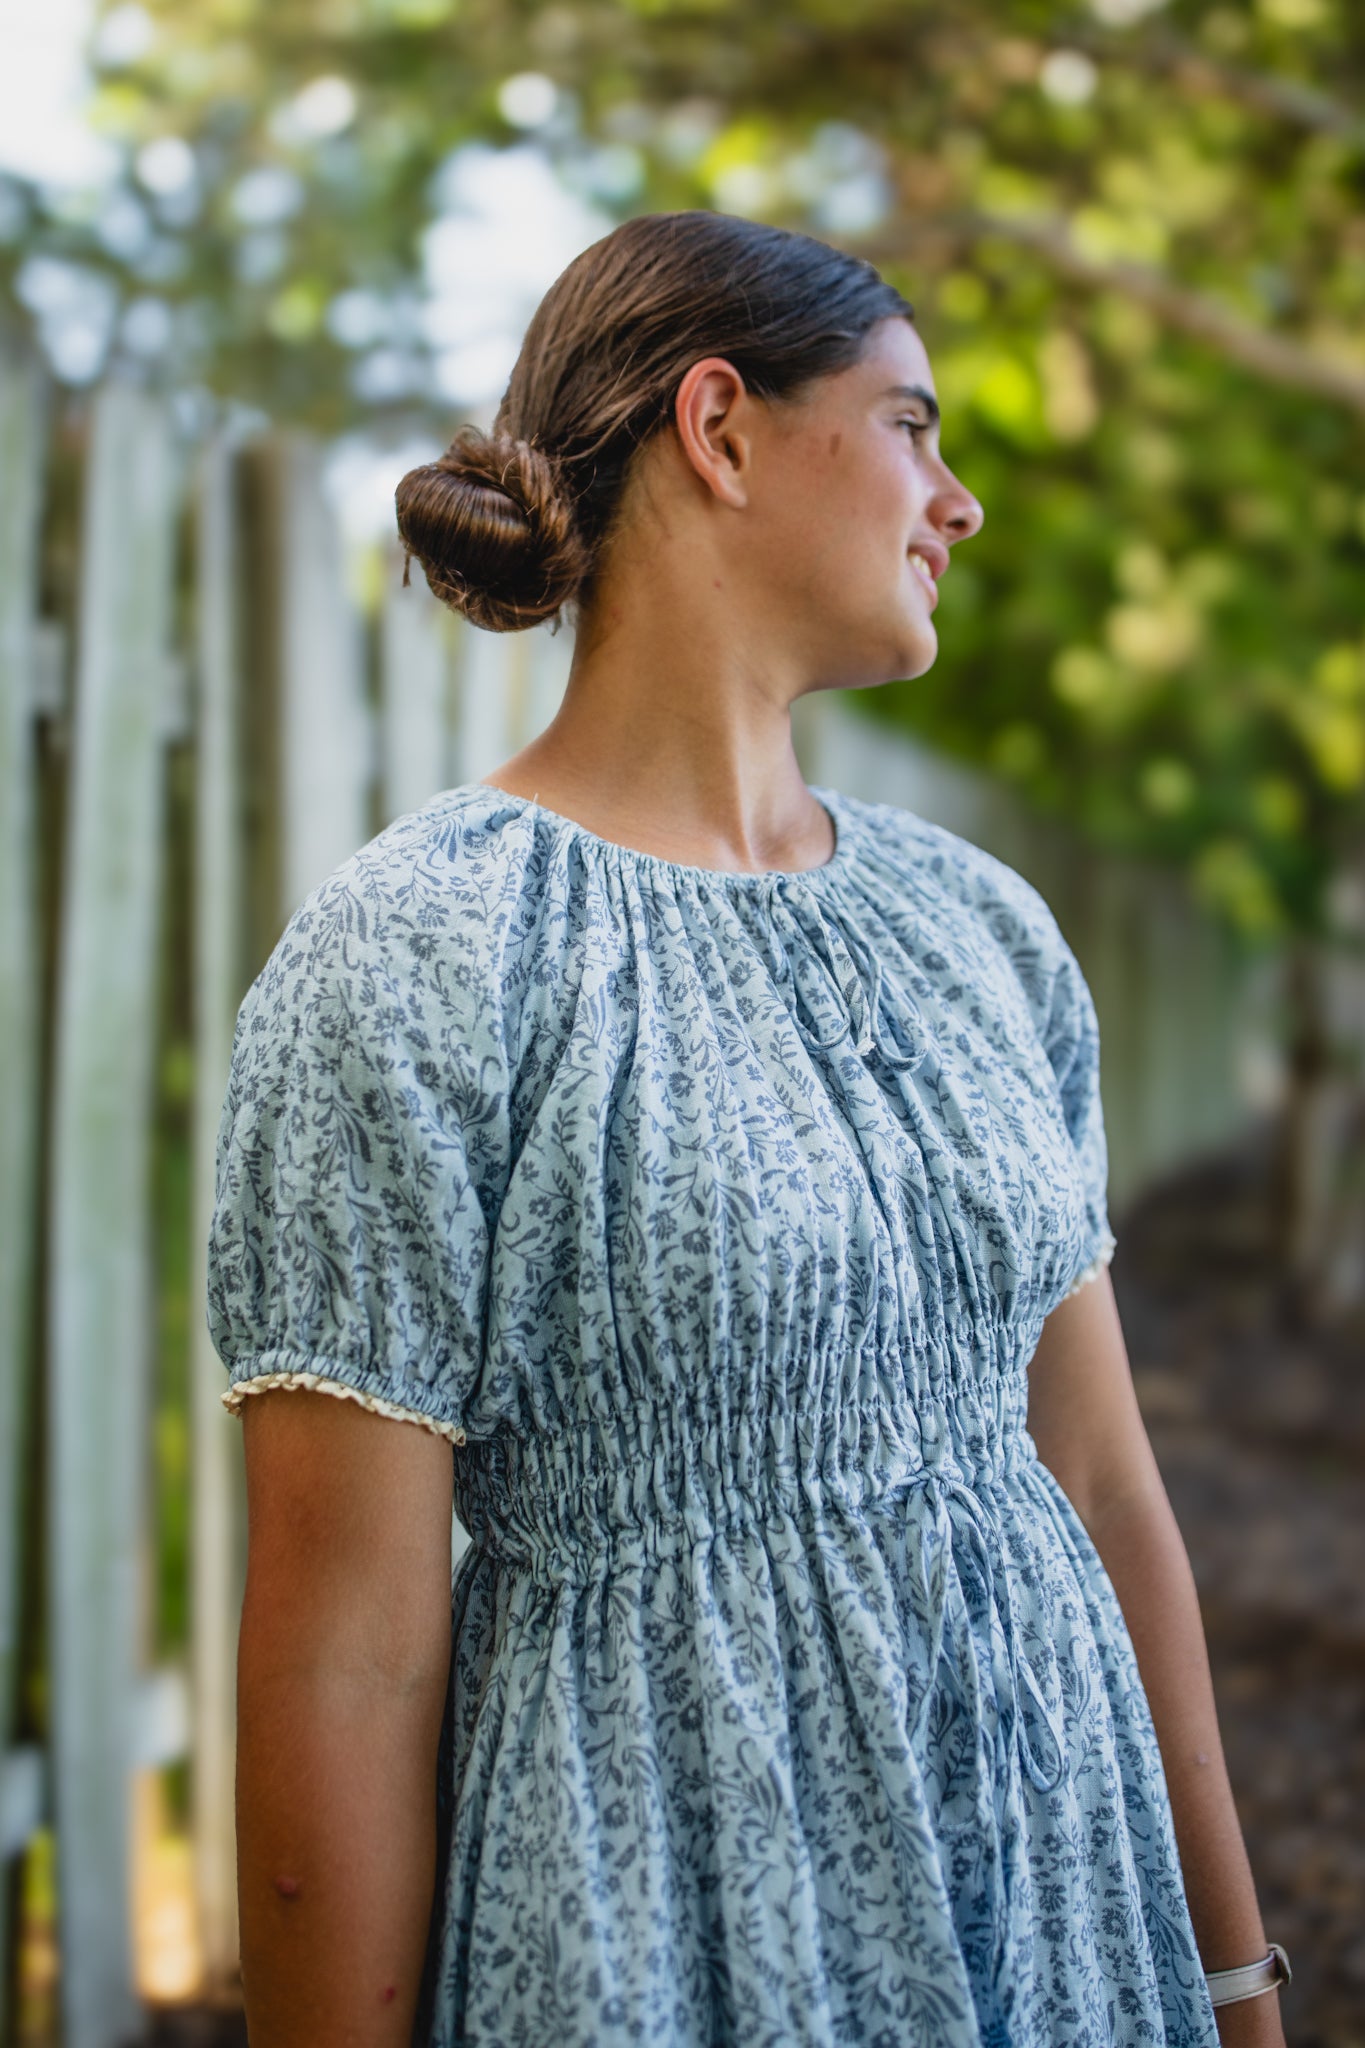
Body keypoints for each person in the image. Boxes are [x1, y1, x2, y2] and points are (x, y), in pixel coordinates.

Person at [208, 210, 1288, 2046]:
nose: (953, 501)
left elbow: (1103, 1490)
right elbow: (351, 1652)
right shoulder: (419, 962)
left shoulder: (980, 933)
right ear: (718, 429)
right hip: (674, 1939)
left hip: (1059, 1913)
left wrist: (1232, 1974)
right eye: (912, 424)